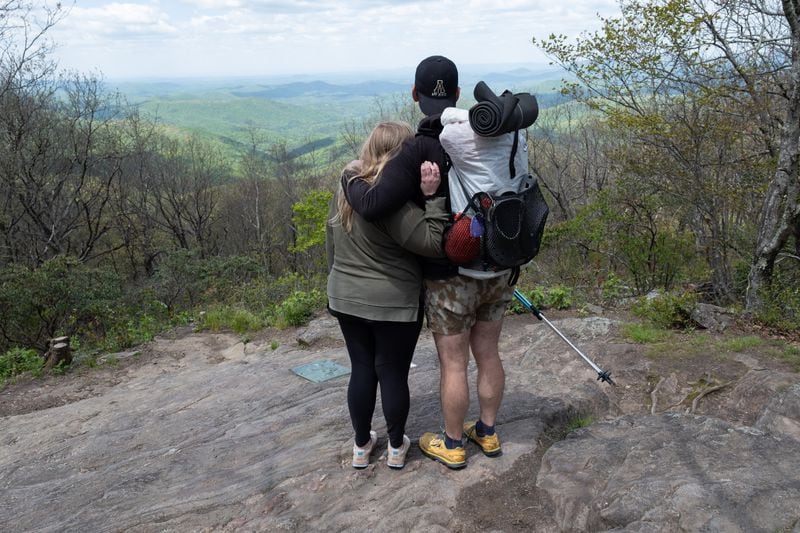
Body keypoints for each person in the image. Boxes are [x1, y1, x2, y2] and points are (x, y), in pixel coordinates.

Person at [344, 55, 516, 470]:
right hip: (499, 266)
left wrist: (349, 176)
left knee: (454, 362)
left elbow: (372, 206)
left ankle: (453, 443)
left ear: (415, 95)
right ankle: (488, 433)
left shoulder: (418, 148)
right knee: (489, 354)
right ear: (458, 94)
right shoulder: (488, 137)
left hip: (450, 277)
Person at [326, 120, 449, 470]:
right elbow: (433, 244)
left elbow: (330, 242)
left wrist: (334, 285)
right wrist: (434, 198)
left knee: (362, 369)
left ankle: (362, 446)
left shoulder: (347, 187)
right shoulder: (390, 199)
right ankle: (396, 447)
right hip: (392, 301)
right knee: (391, 372)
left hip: (345, 295)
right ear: (401, 152)